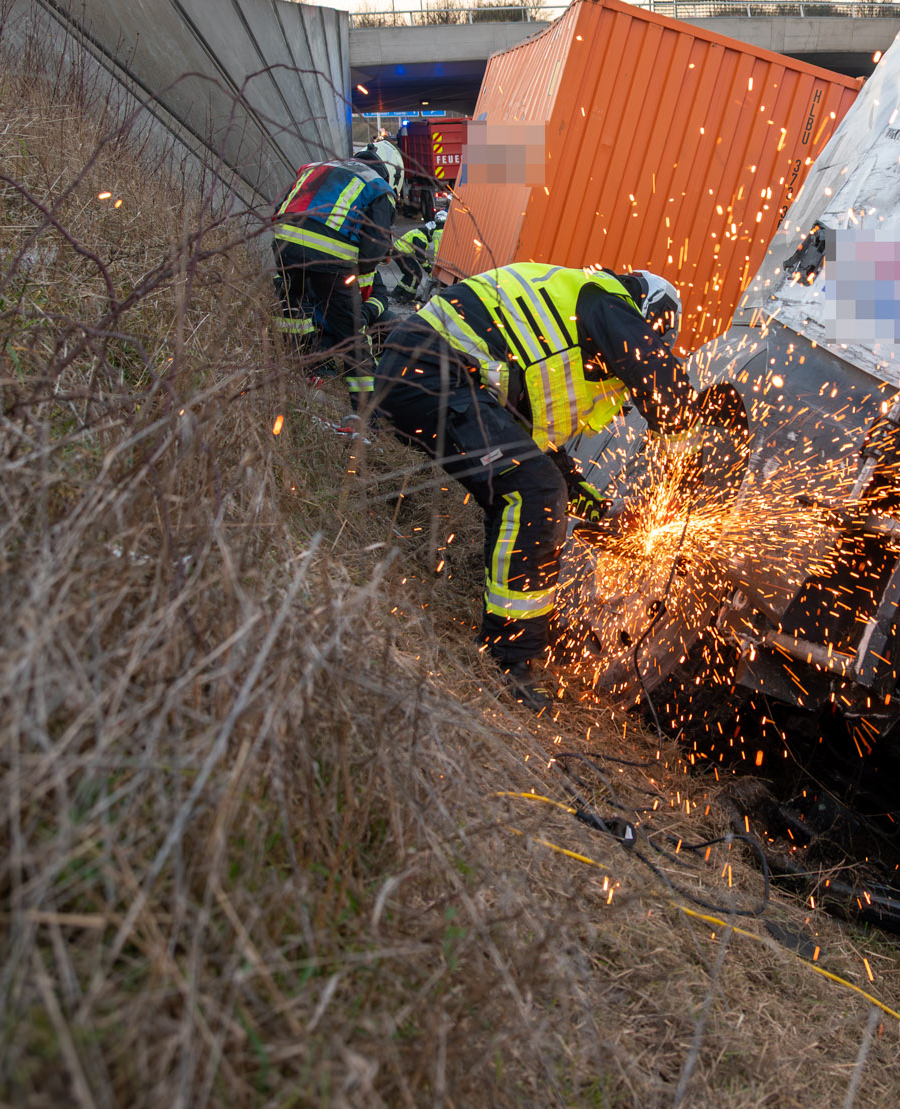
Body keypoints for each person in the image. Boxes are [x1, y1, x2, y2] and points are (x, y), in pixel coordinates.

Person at [373, 263, 692, 707]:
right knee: (535, 494)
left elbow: (537, 452)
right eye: (653, 337)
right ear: (649, 315)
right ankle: (509, 658)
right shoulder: (604, 300)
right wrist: (682, 461)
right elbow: (660, 378)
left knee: (526, 488)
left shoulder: (562, 337)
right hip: (432, 368)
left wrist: (602, 513)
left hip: (425, 373)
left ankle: (519, 630)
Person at [270, 156, 395, 401]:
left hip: (285, 243)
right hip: (330, 256)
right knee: (351, 332)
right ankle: (365, 411)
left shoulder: (314, 167)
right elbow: (374, 247)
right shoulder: (380, 186)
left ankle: (291, 368)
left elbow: (280, 209)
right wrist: (355, 270)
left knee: (291, 305)